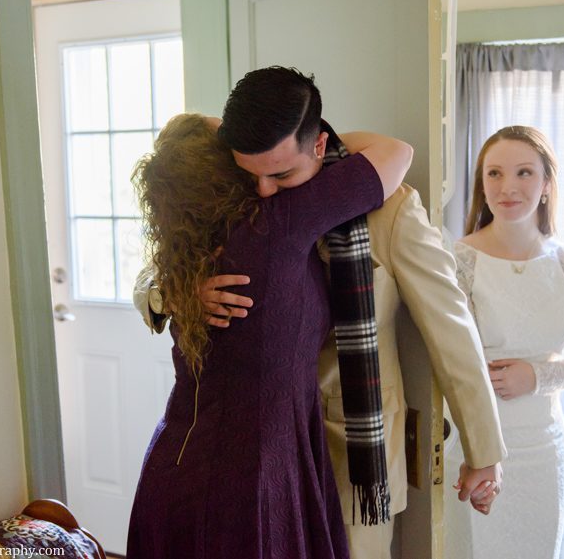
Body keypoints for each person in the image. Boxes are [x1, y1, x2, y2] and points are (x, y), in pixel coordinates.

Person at [135, 67, 507, 559]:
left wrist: (484, 451)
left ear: (316, 146)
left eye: (281, 174)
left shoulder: (389, 209)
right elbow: (161, 262)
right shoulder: (239, 204)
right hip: (268, 458)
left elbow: (451, 328)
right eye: (253, 175)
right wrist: (174, 294)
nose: (264, 190)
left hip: (354, 447)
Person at [126, 112, 413, 559]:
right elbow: (397, 152)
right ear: (235, 167)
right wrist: (307, 143)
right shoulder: (279, 223)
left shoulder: (185, 245)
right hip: (247, 485)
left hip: (177, 467)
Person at [443, 125, 564, 559]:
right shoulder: (458, 260)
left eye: (524, 173)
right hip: (475, 442)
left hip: (543, 446)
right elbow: (450, 359)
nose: (507, 187)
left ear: (547, 185)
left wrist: (536, 376)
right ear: (482, 183)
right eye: (494, 173)